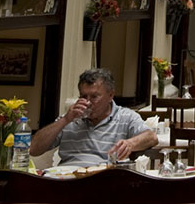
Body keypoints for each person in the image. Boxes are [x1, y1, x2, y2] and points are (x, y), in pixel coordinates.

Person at [30, 67, 158, 166]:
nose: (88, 102)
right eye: (83, 96)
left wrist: (130, 143)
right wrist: (65, 120)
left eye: (94, 97)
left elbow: (151, 137)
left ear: (110, 95)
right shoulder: (70, 118)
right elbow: (34, 149)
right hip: (67, 179)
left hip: (103, 180)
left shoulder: (125, 116)